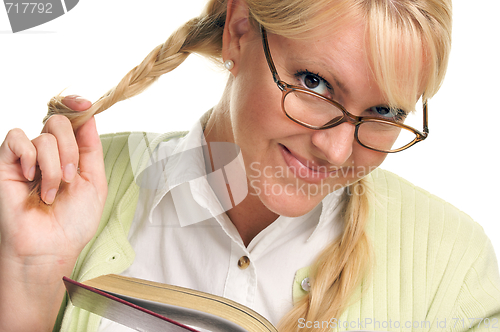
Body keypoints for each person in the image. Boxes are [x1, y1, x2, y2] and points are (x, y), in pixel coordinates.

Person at [0, 0, 499, 331]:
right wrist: (28, 275)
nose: (339, 151)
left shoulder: (452, 271)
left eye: (386, 113)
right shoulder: (55, 197)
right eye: (316, 83)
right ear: (240, 32)